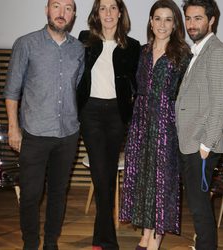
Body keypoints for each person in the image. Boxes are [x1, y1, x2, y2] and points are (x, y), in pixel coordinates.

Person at [3, 0, 85, 249]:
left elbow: (77, 87)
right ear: (47, 10)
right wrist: (13, 128)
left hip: (68, 134)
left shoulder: (79, 49)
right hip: (34, 134)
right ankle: (30, 243)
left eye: (68, 8)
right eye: (56, 6)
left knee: (59, 194)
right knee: (30, 195)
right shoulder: (26, 44)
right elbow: (12, 90)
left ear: (73, 14)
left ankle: (51, 243)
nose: (62, 13)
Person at [119, 0, 190, 249]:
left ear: (175, 24)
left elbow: (186, 95)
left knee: (162, 180)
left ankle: (155, 240)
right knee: (143, 178)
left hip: (166, 124)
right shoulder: (143, 51)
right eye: (157, 18)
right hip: (140, 122)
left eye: (168, 19)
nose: (162, 24)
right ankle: (146, 233)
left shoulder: (183, 54)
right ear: (150, 21)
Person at [76, 0, 140, 249]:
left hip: (116, 114)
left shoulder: (132, 46)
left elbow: (137, 82)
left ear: (120, 12)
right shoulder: (84, 39)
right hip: (90, 112)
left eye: (113, 7)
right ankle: (107, 242)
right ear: (96, 13)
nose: (108, 13)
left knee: (107, 175)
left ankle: (99, 240)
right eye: (103, 8)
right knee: (101, 175)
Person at [175, 0, 223, 249]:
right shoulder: (198, 51)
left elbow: (221, 106)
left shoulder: (219, 53)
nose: (191, 24)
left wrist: (204, 146)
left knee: (200, 210)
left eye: (198, 18)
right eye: (188, 18)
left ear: (211, 20)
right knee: (198, 206)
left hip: (201, 144)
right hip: (192, 142)